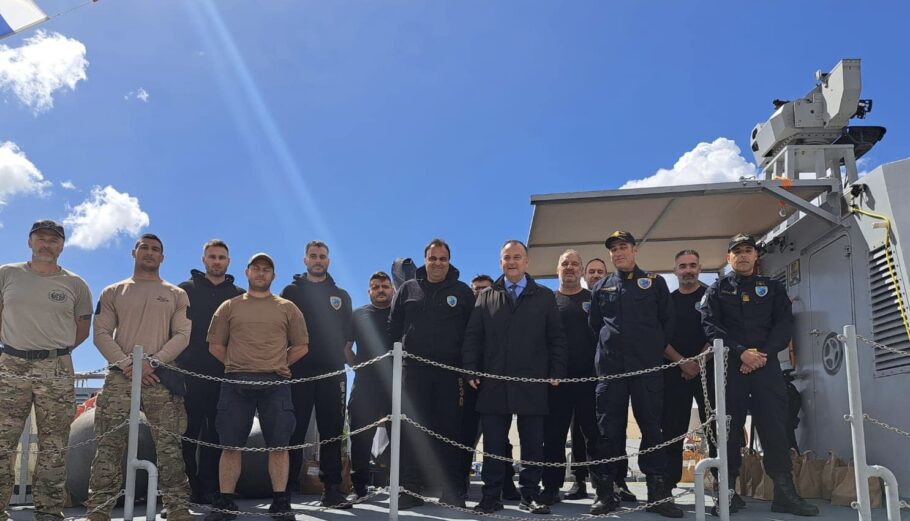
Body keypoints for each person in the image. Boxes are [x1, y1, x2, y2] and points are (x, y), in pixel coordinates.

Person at [701, 234, 818, 516]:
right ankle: (727, 492)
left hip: (766, 367)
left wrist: (760, 355)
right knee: (728, 430)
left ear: (756, 256)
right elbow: (710, 325)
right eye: (737, 251)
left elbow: (784, 324)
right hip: (731, 368)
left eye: (748, 250)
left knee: (775, 427)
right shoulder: (717, 290)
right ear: (728, 258)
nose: (743, 255)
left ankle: (784, 493)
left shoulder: (773, 288)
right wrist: (741, 353)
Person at [86, 234, 194, 521]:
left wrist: (153, 363)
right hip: (121, 378)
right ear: (134, 252)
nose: (149, 252)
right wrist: (128, 365)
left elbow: (183, 334)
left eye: (155, 249)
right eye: (144, 247)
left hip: (160, 378)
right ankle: (98, 509)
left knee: (169, 445)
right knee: (109, 445)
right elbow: (101, 333)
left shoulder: (176, 294)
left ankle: (177, 507)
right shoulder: (113, 291)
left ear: (162, 257)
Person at [463, 240, 567, 515]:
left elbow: (556, 337)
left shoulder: (544, 296)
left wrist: (556, 370)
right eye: (507, 258)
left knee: (532, 443)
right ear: (500, 263)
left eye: (517, 257)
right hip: (493, 381)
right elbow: (473, 336)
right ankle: (491, 496)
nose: (512, 262)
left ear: (526, 261)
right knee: (494, 444)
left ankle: (530, 494)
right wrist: (471, 368)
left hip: (532, 381)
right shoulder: (486, 296)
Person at [204, 253, 309, 520]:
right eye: (256, 268)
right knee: (230, 446)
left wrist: (275, 363)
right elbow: (215, 345)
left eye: (266, 270)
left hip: (276, 382)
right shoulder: (229, 306)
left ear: (273, 276)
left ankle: (281, 502)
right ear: (247, 272)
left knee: (279, 446)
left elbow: (301, 346)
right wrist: (238, 363)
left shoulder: (288, 308)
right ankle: (226, 502)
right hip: (235, 382)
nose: (261, 273)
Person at [0, 220, 92, 521]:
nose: (46, 245)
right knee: (2, 440)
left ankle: (49, 512)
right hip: (11, 364)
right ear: (30, 241)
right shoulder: (7, 274)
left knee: (54, 444)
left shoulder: (75, 284)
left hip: (56, 367)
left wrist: (52, 350)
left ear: (62, 246)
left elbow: (82, 328)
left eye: (53, 240)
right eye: (40, 238)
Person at [588, 231, 682, 518]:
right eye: (614, 249)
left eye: (623, 247)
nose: (618, 253)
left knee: (652, 429)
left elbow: (667, 322)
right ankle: (607, 492)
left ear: (634, 249)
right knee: (608, 432)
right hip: (611, 371)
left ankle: (658, 494)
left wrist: (650, 350)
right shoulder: (601, 286)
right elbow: (596, 324)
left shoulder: (654, 282)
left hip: (646, 369)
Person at [389, 239, 475, 509]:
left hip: (450, 373)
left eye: (442, 258)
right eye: (433, 258)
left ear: (449, 261)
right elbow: (393, 328)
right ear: (425, 260)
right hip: (413, 371)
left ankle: (451, 491)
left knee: (450, 431)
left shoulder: (462, 292)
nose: (437, 263)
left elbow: (472, 333)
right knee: (413, 430)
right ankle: (411, 489)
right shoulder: (407, 289)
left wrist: (468, 366)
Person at [279, 241, 352, 507]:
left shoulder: (341, 295)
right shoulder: (291, 291)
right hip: (298, 371)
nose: (318, 260)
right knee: (293, 431)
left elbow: (348, 337)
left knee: (332, 431)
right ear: (305, 260)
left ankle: (331, 489)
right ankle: (284, 491)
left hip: (332, 372)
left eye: (322, 256)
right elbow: (280, 329)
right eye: (313, 256)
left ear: (328, 261)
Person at [177, 240, 245, 504]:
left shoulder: (239, 295)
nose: (217, 261)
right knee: (187, 433)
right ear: (204, 259)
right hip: (190, 374)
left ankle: (211, 488)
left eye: (222, 257)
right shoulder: (184, 290)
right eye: (212, 257)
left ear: (229, 262)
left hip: (225, 375)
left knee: (218, 435)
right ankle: (187, 490)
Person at [539, 250, 600, 506]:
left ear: (582, 270)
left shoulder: (594, 299)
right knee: (553, 437)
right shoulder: (547, 301)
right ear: (557, 269)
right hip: (556, 382)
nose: (570, 267)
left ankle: (603, 489)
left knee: (594, 437)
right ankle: (551, 487)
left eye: (575, 264)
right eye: (565, 263)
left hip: (590, 381)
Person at [457, 275, 521, 502]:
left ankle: (507, 484)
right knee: (466, 437)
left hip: (496, 384)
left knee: (500, 440)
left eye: (484, 289)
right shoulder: (466, 315)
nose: (479, 293)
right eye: (476, 289)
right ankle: (460, 483)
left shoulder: (499, 312)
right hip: (471, 385)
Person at [661, 250, 717, 498]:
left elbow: (718, 332)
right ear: (675, 271)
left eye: (692, 265)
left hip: (708, 373)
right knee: (672, 430)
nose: (687, 270)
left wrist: (698, 363)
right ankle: (667, 486)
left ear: (700, 268)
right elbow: (659, 337)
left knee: (715, 430)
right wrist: (683, 363)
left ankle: (722, 485)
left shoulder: (712, 297)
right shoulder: (667, 301)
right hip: (675, 373)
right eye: (682, 266)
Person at [345, 271, 394, 500]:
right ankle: (359, 488)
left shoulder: (400, 314)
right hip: (365, 384)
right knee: (360, 437)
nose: (380, 290)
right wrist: (359, 368)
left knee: (402, 436)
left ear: (392, 289)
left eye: (385, 286)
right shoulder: (358, 314)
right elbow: (346, 347)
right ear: (369, 291)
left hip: (396, 384)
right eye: (376, 287)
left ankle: (401, 487)